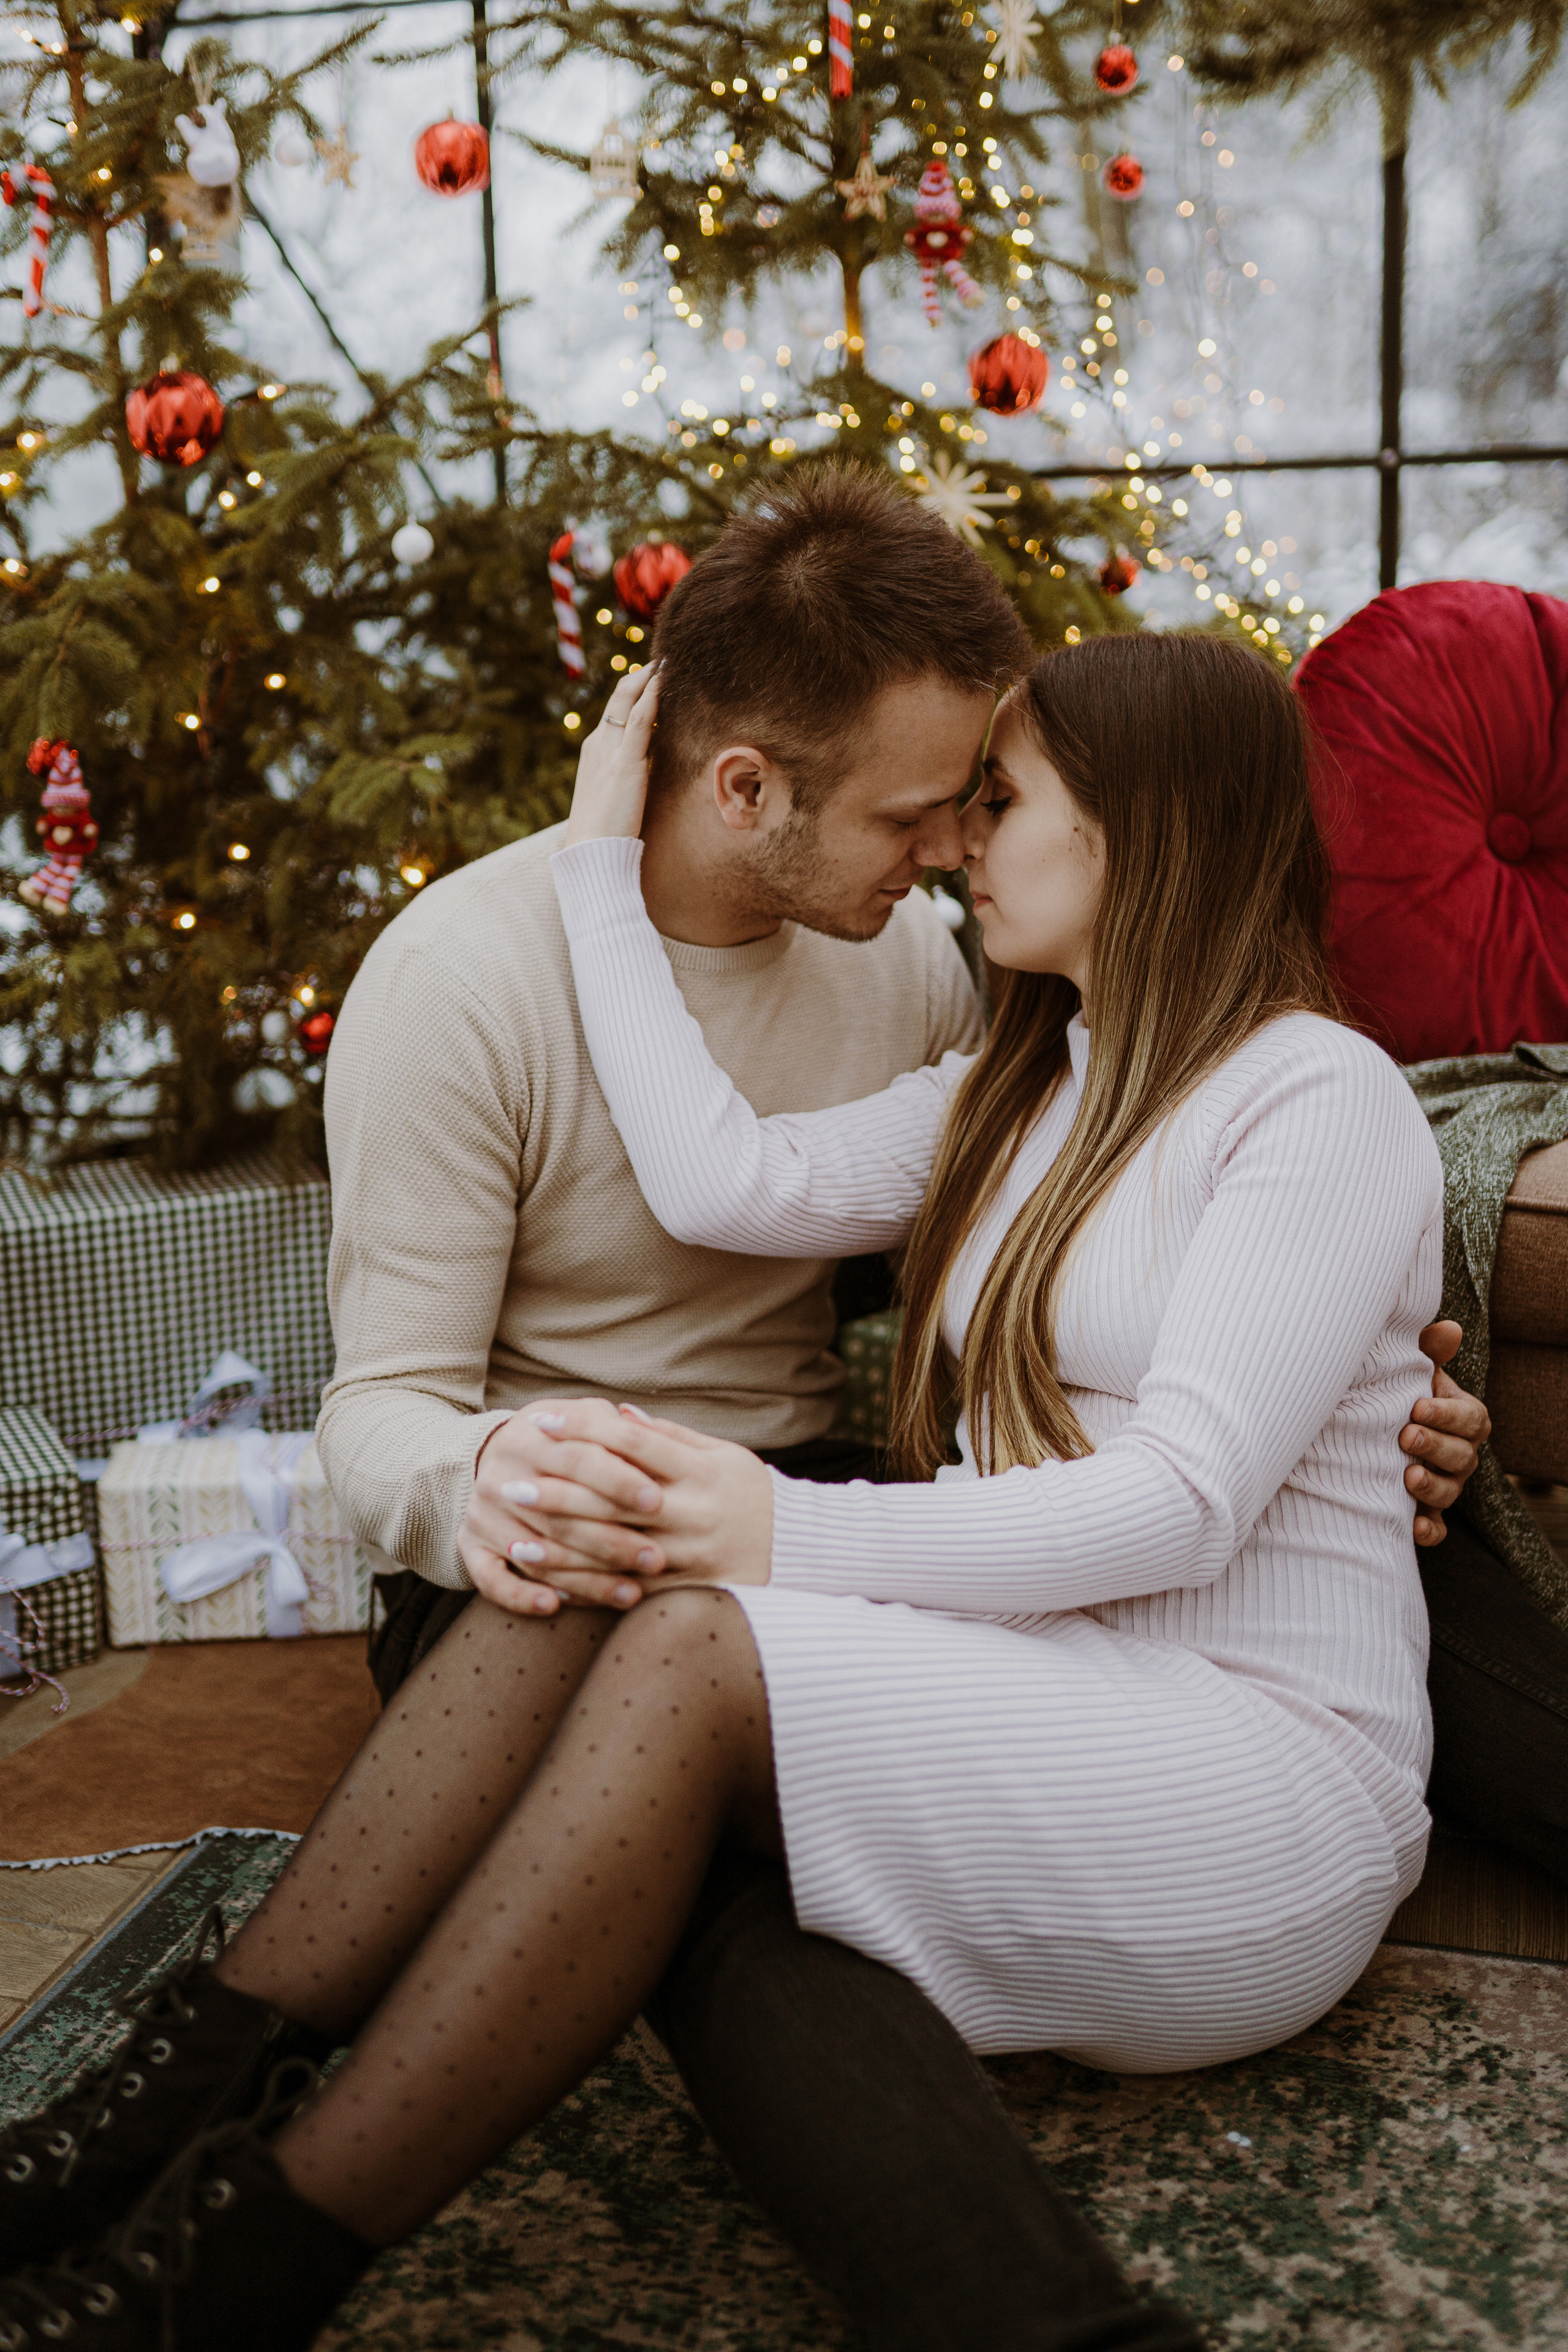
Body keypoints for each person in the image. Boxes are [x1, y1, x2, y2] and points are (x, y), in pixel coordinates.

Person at [0, 481, 1486, 2352]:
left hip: (1243, 1761)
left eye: (998, 802)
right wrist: (595, 877)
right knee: (647, 1624)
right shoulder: (1014, 1086)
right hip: (1040, 1659)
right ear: (746, 793)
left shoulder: (1295, 1093)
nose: (954, 845)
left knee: (685, 1645)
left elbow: (1193, 1495)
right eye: (935, 804)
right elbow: (724, 1182)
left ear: (1148, 835)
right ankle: (206, 2144)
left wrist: (771, 1527)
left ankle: (235, 2247)